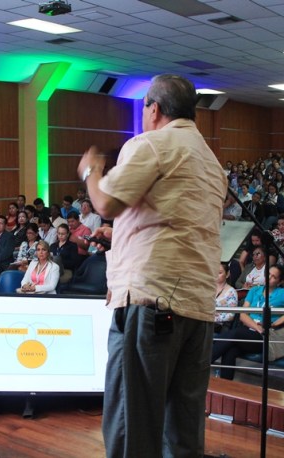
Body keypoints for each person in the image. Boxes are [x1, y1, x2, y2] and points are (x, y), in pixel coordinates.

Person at [76, 74, 225, 457]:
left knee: (133, 424)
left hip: (152, 302)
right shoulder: (212, 162)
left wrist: (91, 172)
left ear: (154, 109)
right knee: (183, 429)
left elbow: (106, 204)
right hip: (198, 307)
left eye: (144, 107)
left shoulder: (152, 144)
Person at [212, 265, 284, 380]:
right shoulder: (254, 290)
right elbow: (243, 315)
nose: (269, 278)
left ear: (279, 281)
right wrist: (256, 328)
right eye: (268, 274)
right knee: (230, 350)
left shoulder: (282, 294)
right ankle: (226, 386)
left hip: (266, 336)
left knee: (235, 334)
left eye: (274, 277)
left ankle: (200, 365)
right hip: (250, 331)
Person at [213, 262, 238, 333]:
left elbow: (231, 315)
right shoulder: (208, 288)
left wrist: (215, 318)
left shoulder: (231, 292)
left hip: (218, 326)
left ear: (227, 274)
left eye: (219, 273)